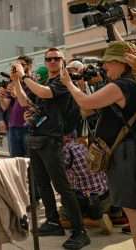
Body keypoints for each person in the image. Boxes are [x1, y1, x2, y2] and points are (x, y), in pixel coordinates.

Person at [12, 48, 90, 250]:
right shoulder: (44, 82)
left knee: (62, 187)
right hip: (37, 138)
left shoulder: (65, 81)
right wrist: (16, 81)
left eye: (57, 58)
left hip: (53, 139)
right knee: (42, 183)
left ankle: (80, 231)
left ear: (63, 61)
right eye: (49, 59)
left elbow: (45, 93)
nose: (53, 61)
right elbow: (24, 101)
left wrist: (25, 76)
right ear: (45, 62)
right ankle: (53, 221)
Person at [60, 41, 136, 248]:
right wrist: (83, 89)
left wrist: (69, 84)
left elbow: (85, 104)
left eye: (108, 62)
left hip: (126, 154)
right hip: (124, 152)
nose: (104, 67)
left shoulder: (123, 85)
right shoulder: (125, 84)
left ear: (122, 63)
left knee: (133, 211)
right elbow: (87, 111)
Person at [62, 134, 113, 235]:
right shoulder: (83, 143)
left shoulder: (64, 151)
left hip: (90, 201)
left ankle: (95, 222)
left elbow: (62, 181)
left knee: (60, 220)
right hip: (106, 196)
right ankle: (106, 215)